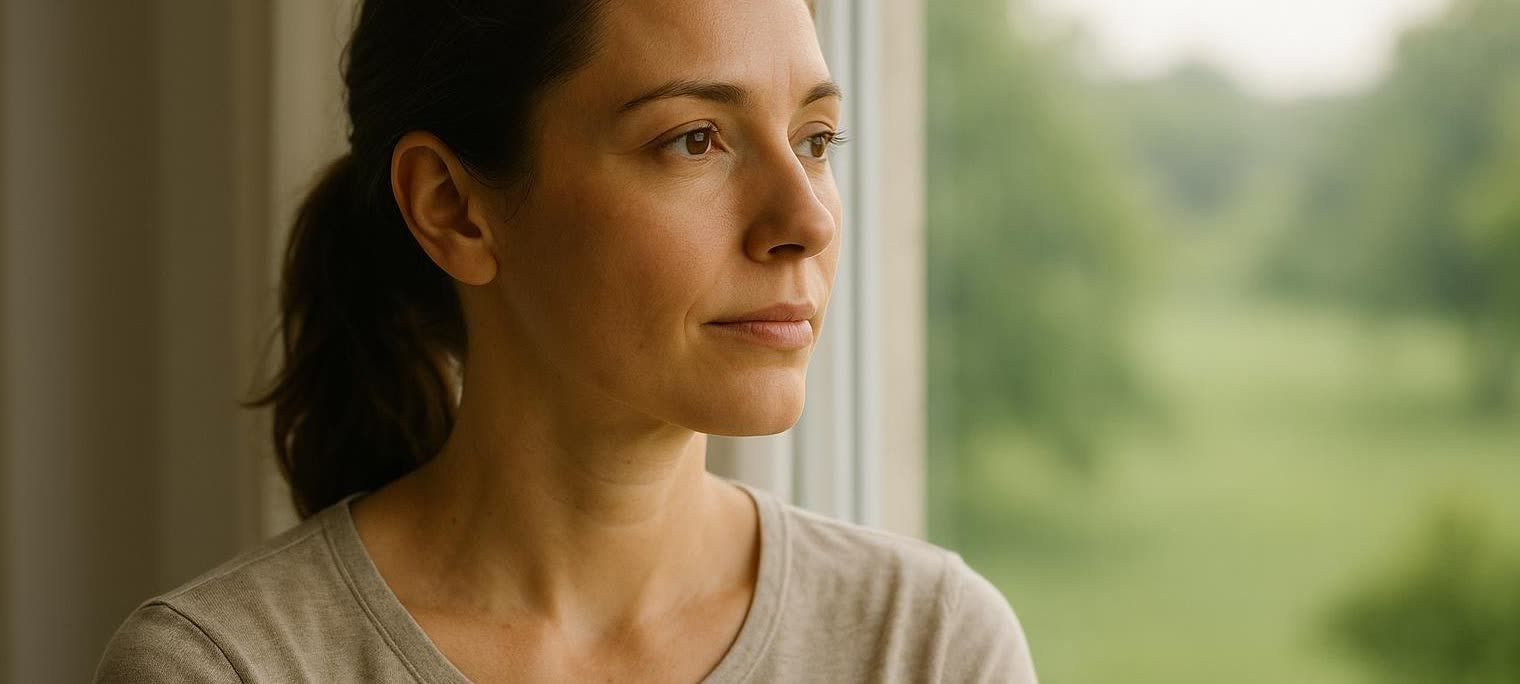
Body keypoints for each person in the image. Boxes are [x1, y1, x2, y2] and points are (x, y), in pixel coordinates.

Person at [94, 0, 1038, 681]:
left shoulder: (927, 646)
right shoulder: (224, 668)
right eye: (695, 140)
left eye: (816, 138)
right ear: (454, 208)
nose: (806, 219)